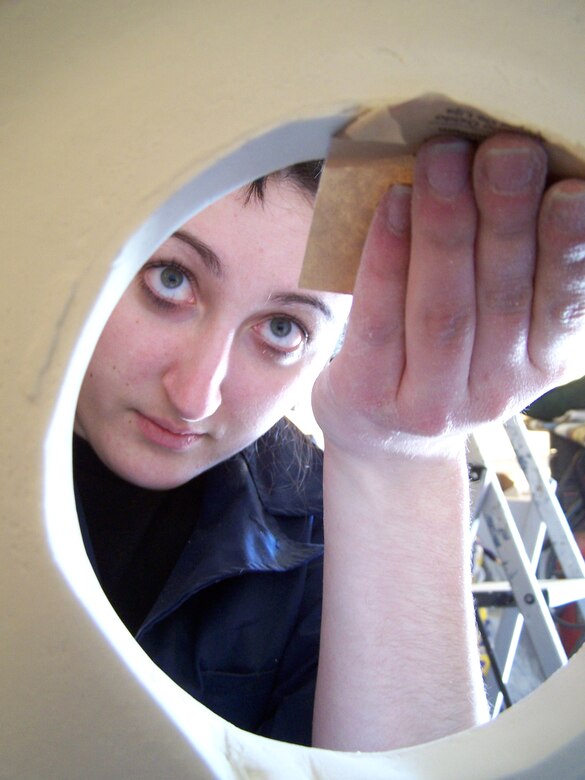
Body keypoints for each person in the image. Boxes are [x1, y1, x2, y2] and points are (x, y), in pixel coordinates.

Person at [73, 132, 585, 752]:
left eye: (281, 329)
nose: (195, 397)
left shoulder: (329, 534)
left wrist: (397, 453)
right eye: (171, 280)